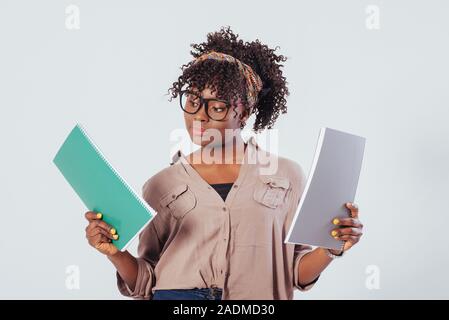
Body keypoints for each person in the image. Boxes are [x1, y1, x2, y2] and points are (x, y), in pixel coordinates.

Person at [84, 26, 364, 300]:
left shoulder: (287, 176)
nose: (199, 116)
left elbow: (296, 273)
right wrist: (115, 253)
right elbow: (145, 283)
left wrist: (331, 246)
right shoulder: (160, 185)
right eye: (193, 101)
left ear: (244, 113)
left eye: (216, 107)